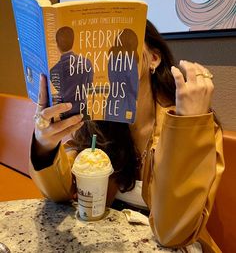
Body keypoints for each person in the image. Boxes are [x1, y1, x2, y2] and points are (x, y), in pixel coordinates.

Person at [30, 20, 224, 253]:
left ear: (154, 59)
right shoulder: (97, 122)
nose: (112, 53)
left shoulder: (194, 125)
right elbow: (63, 192)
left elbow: (173, 233)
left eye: (124, 42)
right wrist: (44, 146)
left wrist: (187, 129)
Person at [50, 26, 94, 119]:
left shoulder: (53, 71)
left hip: (65, 112)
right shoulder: (87, 63)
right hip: (83, 110)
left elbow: (60, 90)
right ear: (73, 42)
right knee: (87, 133)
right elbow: (89, 84)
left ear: (57, 44)